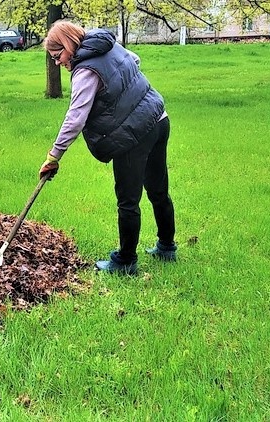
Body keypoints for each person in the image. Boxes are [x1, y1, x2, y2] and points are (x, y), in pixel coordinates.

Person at [39, 20, 176, 276]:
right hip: (159, 118)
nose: (58, 62)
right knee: (158, 190)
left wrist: (54, 155)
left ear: (69, 45)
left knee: (128, 200)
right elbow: (134, 61)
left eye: (58, 56)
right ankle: (167, 247)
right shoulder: (107, 45)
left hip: (133, 135)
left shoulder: (86, 71)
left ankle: (125, 262)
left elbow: (76, 117)